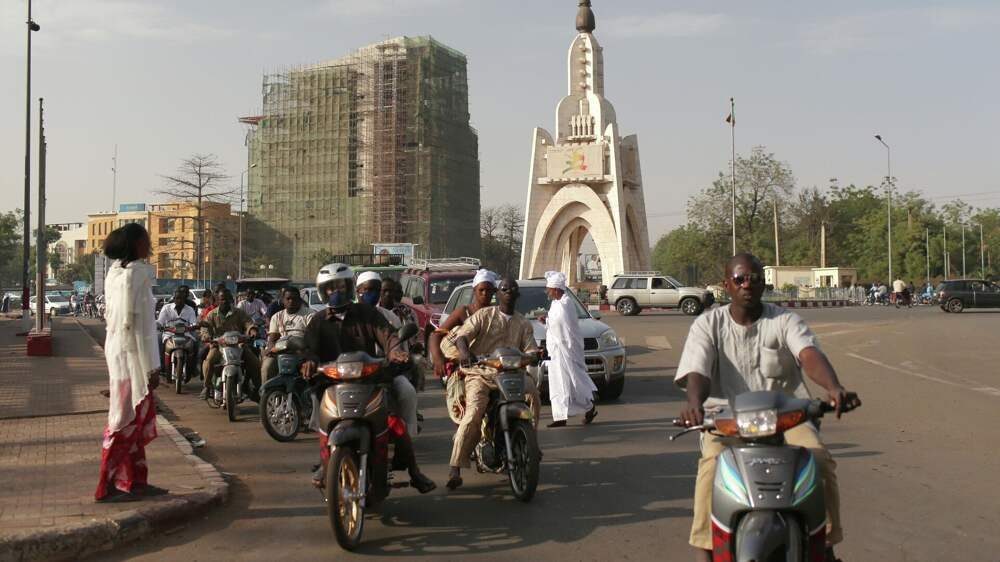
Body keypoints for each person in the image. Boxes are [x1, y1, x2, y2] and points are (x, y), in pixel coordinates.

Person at [675, 253, 861, 562]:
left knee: (818, 460)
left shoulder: (785, 320)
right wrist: (694, 406)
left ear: (764, 284)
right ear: (726, 285)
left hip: (787, 418)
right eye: (740, 279)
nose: (747, 284)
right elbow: (697, 371)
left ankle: (825, 544)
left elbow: (808, 354)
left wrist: (834, 387)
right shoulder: (707, 324)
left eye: (755, 279)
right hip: (726, 421)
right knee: (712, 468)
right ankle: (705, 548)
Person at [300, 263, 435, 493]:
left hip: (370, 380)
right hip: (332, 382)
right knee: (322, 416)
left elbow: (388, 336)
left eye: (340, 286)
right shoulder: (318, 321)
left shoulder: (368, 314)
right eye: (330, 288)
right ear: (323, 292)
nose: (336, 292)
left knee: (394, 424)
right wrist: (308, 361)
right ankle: (325, 463)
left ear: (350, 288)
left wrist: (395, 351)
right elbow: (308, 348)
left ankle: (414, 471)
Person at [445, 277, 541, 490]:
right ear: (498, 294)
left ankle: (531, 442)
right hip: (480, 373)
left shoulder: (523, 323)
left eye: (512, 289)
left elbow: (531, 349)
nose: (509, 292)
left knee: (533, 394)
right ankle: (455, 467)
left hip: (512, 374)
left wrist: (534, 355)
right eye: (504, 289)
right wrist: (464, 352)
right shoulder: (484, 315)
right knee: (473, 413)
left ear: (517, 295)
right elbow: (462, 337)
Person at [95, 223, 168, 502]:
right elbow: (141, 326)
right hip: (132, 355)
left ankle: (136, 481)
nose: (149, 244)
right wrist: (152, 367)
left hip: (117, 351)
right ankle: (107, 484)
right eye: (145, 239)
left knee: (132, 420)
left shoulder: (114, 273)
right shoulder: (137, 275)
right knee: (123, 420)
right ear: (136, 243)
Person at [356, 271, 420, 439]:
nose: (374, 294)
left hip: (384, 373)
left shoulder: (390, 317)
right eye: (369, 290)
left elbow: (399, 347)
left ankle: (408, 436)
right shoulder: (347, 318)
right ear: (358, 291)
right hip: (353, 376)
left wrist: (398, 355)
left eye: (376, 290)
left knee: (407, 391)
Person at [542, 271, 597, 428]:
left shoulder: (566, 304)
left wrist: (548, 322)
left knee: (573, 382)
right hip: (556, 351)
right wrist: (546, 321)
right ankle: (560, 417)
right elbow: (555, 324)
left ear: (556, 289)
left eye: (549, 289)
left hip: (566, 350)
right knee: (557, 383)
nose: (547, 292)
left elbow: (563, 327)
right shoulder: (556, 303)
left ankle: (589, 407)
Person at [430, 269, 498, 381]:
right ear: (474, 290)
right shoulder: (463, 312)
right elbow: (436, 334)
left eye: (489, 290)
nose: (485, 294)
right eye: (481, 290)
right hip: (466, 365)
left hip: (490, 366)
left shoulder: (496, 314)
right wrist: (438, 357)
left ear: (494, 292)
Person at [199, 288, 262, 401]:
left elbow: (248, 322)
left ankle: (257, 388)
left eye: (227, 299)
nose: (225, 301)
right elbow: (205, 328)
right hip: (219, 346)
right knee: (209, 361)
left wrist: (252, 330)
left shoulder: (239, 312)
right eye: (222, 299)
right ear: (217, 300)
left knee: (254, 362)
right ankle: (207, 386)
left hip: (238, 345)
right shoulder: (212, 314)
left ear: (231, 300)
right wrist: (207, 336)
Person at [261, 287, 313, 381]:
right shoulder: (276, 317)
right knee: (266, 367)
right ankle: (266, 389)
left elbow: (312, 338)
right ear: (283, 300)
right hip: (280, 352)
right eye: (288, 299)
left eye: (294, 299)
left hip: (302, 352)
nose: (291, 301)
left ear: (299, 300)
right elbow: (272, 339)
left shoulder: (310, 314)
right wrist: (271, 349)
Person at [156, 288, 199, 377]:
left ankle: (193, 367)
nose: (179, 300)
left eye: (181, 299)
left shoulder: (190, 309)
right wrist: (158, 325)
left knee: (195, 343)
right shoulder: (166, 308)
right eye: (177, 298)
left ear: (185, 299)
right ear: (174, 299)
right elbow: (160, 321)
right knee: (158, 340)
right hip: (169, 333)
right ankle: (161, 366)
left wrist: (194, 326)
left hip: (185, 334)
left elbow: (193, 322)